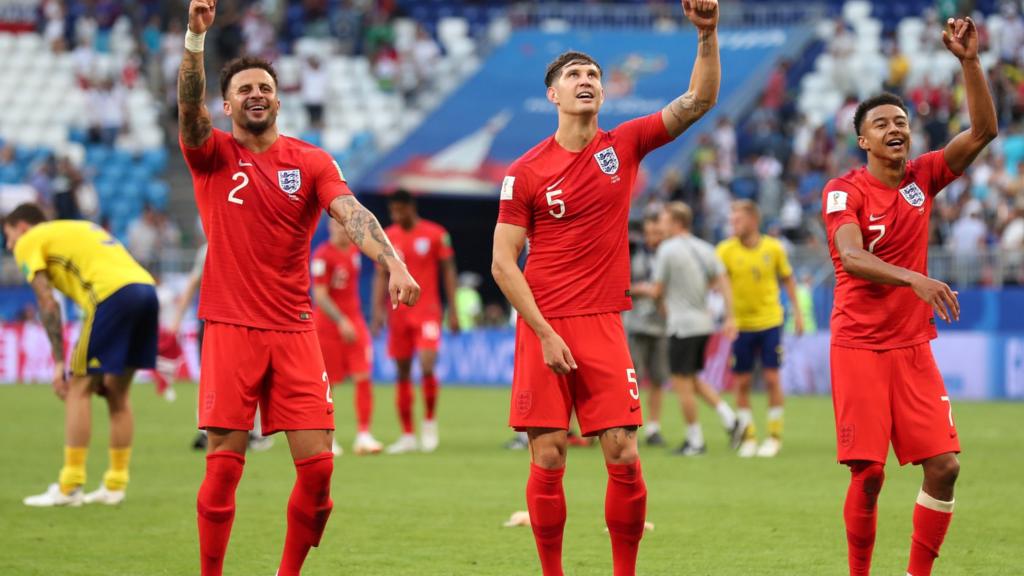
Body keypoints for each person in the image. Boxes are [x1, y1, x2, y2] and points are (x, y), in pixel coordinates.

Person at [176, 3, 419, 575]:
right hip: (231, 326)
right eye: (244, 89)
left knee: (319, 474)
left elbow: (351, 211)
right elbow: (188, 106)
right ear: (228, 104)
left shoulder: (309, 161)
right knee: (224, 467)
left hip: (293, 330)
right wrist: (195, 37)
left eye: (265, 86)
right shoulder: (211, 155)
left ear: (278, 100)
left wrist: (394, 262)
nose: (256, 94)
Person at [490, 1, 720, 574]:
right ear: (553, 96)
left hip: (601, 321)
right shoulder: (526, 171)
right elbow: (501, 263)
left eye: (593, 75)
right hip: (543, 326)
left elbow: (698, 101)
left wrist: (707, 34)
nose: (586, 81)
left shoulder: (624, 146)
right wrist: (542, 332)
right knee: (547, 455)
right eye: (573, 75)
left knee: (623, 450)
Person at [822, 16, 996, 576]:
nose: (896, 128)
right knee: (868, 475)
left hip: (912, 348)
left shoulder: (924, 177)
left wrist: (970, 62)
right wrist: (914, 278)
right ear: (862, 139)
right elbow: (850, 257)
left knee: (944, 466)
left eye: (901, 121)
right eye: (882, 123)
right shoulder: (842, 190)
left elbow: (984, 132)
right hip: (859, 347)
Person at [4, 204, 158, 507]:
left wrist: (60, 362)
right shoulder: (75, 228)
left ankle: (70, 485)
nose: (9, 245)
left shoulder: (29, 241)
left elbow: (47, 303)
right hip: (146, 291)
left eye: (7, 236)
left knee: (78, 387)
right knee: (117, 393)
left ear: (22, 227)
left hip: (112, 295)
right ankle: (115, 484)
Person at [649, 202, 744, 455]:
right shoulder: (705, 248)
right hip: (704, 322)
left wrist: (639, 293)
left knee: (682, 384)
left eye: (665, 220)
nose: (661, 225)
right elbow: (722, 280)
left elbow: (657, 290)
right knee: (692, 378)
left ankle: (695, 440)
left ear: (677, 222)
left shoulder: (667, 249)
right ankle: (731, 420)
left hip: (681, 325)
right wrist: (730, 316)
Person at [372, 189, 458, 454]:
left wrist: (453, 309)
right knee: (402, 372)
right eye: (393, 211)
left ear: (411, 208)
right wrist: (377, 310)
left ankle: (429, 422)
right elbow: (380, 276)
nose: (397, 215)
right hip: (398, 312)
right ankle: (408, 434)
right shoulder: (387, 237)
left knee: (427, 364)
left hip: (428, 311)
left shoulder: (435, 234)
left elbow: (448, 271)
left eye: (401, 210)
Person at [716, 199, 804, 458]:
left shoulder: (773, 248)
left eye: (738, 219)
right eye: (731, 219)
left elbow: (788, 279)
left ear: (753, 221)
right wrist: (729, 317)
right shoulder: (724, 250)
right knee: (741, 381)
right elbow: (723, 285)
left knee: (771, 378)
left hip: (770, 321)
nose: (733, 224)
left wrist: (798, 314)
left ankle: (774, 437)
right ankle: (749, 436)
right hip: (741, 325)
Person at [311, 219, 384, 456]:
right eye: (338, 226)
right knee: (326, 385)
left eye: (345, 226)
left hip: (355, 324)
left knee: (363, 375)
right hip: (329, 328)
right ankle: (326, 437)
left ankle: (364, 435)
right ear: (331, 228)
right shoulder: (322, 256)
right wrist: (341, 320)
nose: (342, 230)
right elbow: (320, 295)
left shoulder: (354, 251)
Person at [623, 213, 669, 446]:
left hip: (662, 326)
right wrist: (639, 290)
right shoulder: (632, 254)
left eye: (658, 233)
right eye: (650, 233)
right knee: (634, 379)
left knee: (659, 378)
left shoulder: (669, 255)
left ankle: (654, 427)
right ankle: (632, 424)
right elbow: (619, 288)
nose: (654, 238)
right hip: (635, 324)